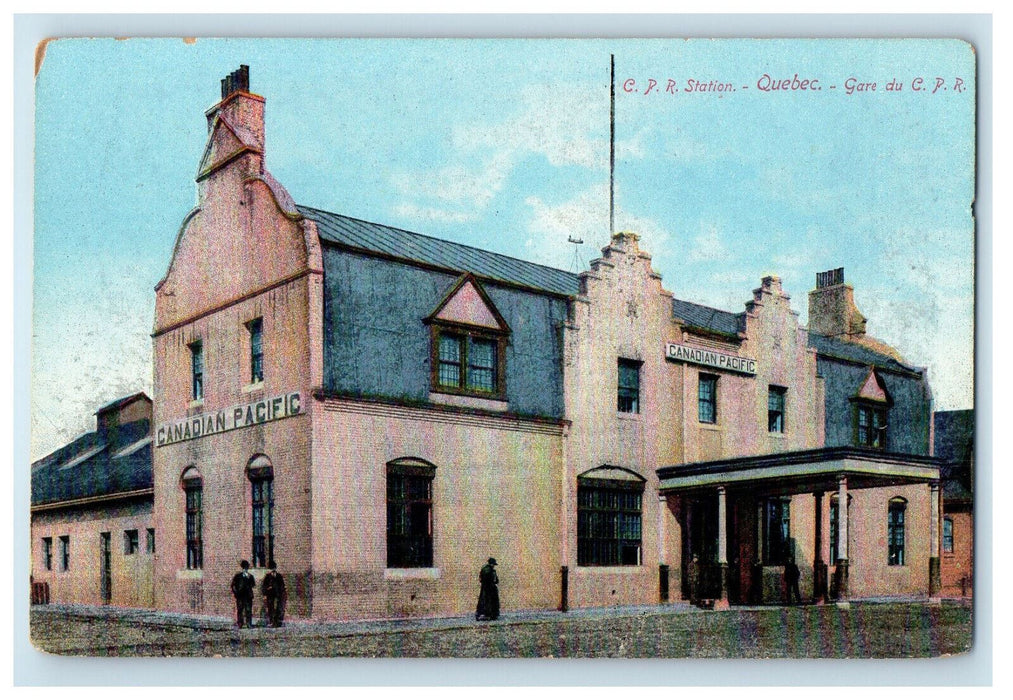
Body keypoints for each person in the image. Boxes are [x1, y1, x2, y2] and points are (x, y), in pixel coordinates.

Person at [230, 559, 255, 628]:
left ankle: (249, 623)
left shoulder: (250, 576)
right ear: (242, 568)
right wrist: (236, 593)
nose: (245, 569)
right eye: (244, 568)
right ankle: (240, 623)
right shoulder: (238, 576)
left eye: (246, 568)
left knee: (248, 610)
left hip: (248, 595)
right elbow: (233, 585)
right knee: (240, 609)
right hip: (240, 595)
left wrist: (248, 579)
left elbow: (253, 584)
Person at [261, 560, 287, 627]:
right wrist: (266, 592)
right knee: (270, 608)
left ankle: (277, 622)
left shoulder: (279, 576)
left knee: (278, 608)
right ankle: (271, 621)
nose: (273, 569)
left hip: (277, 595)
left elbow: (282, 585)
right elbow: (264, 586)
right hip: (270, 595)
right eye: (272, 568)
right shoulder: (267, 576)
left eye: (274, 568)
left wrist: (281, 593)